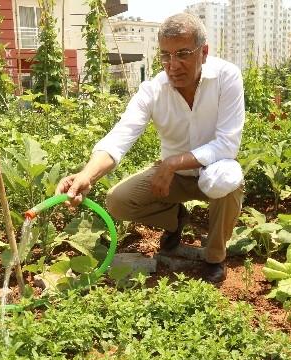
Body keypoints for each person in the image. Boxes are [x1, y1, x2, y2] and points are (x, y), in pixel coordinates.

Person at [55, 12, 245, 285]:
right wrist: (86, 175)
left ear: (204, 52)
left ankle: (215, 257)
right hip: (175, 179)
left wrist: (172, 162)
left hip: (214, 170)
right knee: (118, 201)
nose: (173, 65)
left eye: (183, 53)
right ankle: (176, 219)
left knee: (227, 182)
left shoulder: (227, 77)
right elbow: (120, 136)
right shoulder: (153, 91)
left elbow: (228, 143)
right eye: (165, 55)